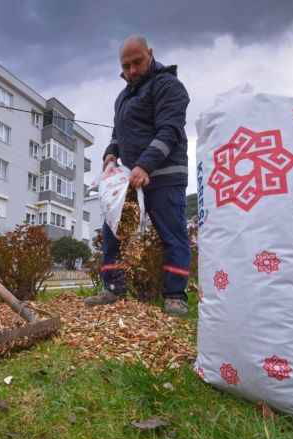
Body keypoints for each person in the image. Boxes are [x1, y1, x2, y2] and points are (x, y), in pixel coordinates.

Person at [84, 36, 191, 316]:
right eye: (126, 65)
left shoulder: (168, 86)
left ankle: (175, 295)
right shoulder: (123, 97)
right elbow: (119, 134)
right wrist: (110, 153)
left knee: (172, 234)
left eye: (137, 62)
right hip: (130, 179)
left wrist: (145, 165)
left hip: (165, 174)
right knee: (113, 230)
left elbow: (170, 130)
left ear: (150, 54)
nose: (131, 70)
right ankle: (113, 288)